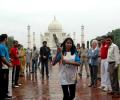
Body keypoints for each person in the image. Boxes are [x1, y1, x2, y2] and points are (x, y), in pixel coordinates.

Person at [0, 34, 12, 99]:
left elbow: (6, 56)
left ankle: (5, 93)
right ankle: (3, 95)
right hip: (3, 66)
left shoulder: (5, 47)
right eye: (7, 38)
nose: (7, 40)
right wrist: (8, 64)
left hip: (6, 66)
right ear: (5, 39)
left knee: (6, 80)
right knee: (3, 81)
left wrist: (9, 60)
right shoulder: (1, 46)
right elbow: (2, 57)